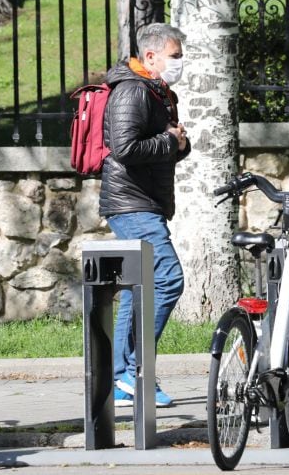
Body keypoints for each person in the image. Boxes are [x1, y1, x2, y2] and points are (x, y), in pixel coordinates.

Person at [99, 22, 190, 408]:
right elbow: (124, 148)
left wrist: (178, 142)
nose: (180, 64)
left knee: (140, 289)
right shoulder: (132, 91)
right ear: (150, 56)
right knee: (168, 279)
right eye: (175, 57)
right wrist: (171, 140)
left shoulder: (156, 89)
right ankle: (135, 371)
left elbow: (166, 145)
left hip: (144, 203)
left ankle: (123, 380)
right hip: (130, 204)